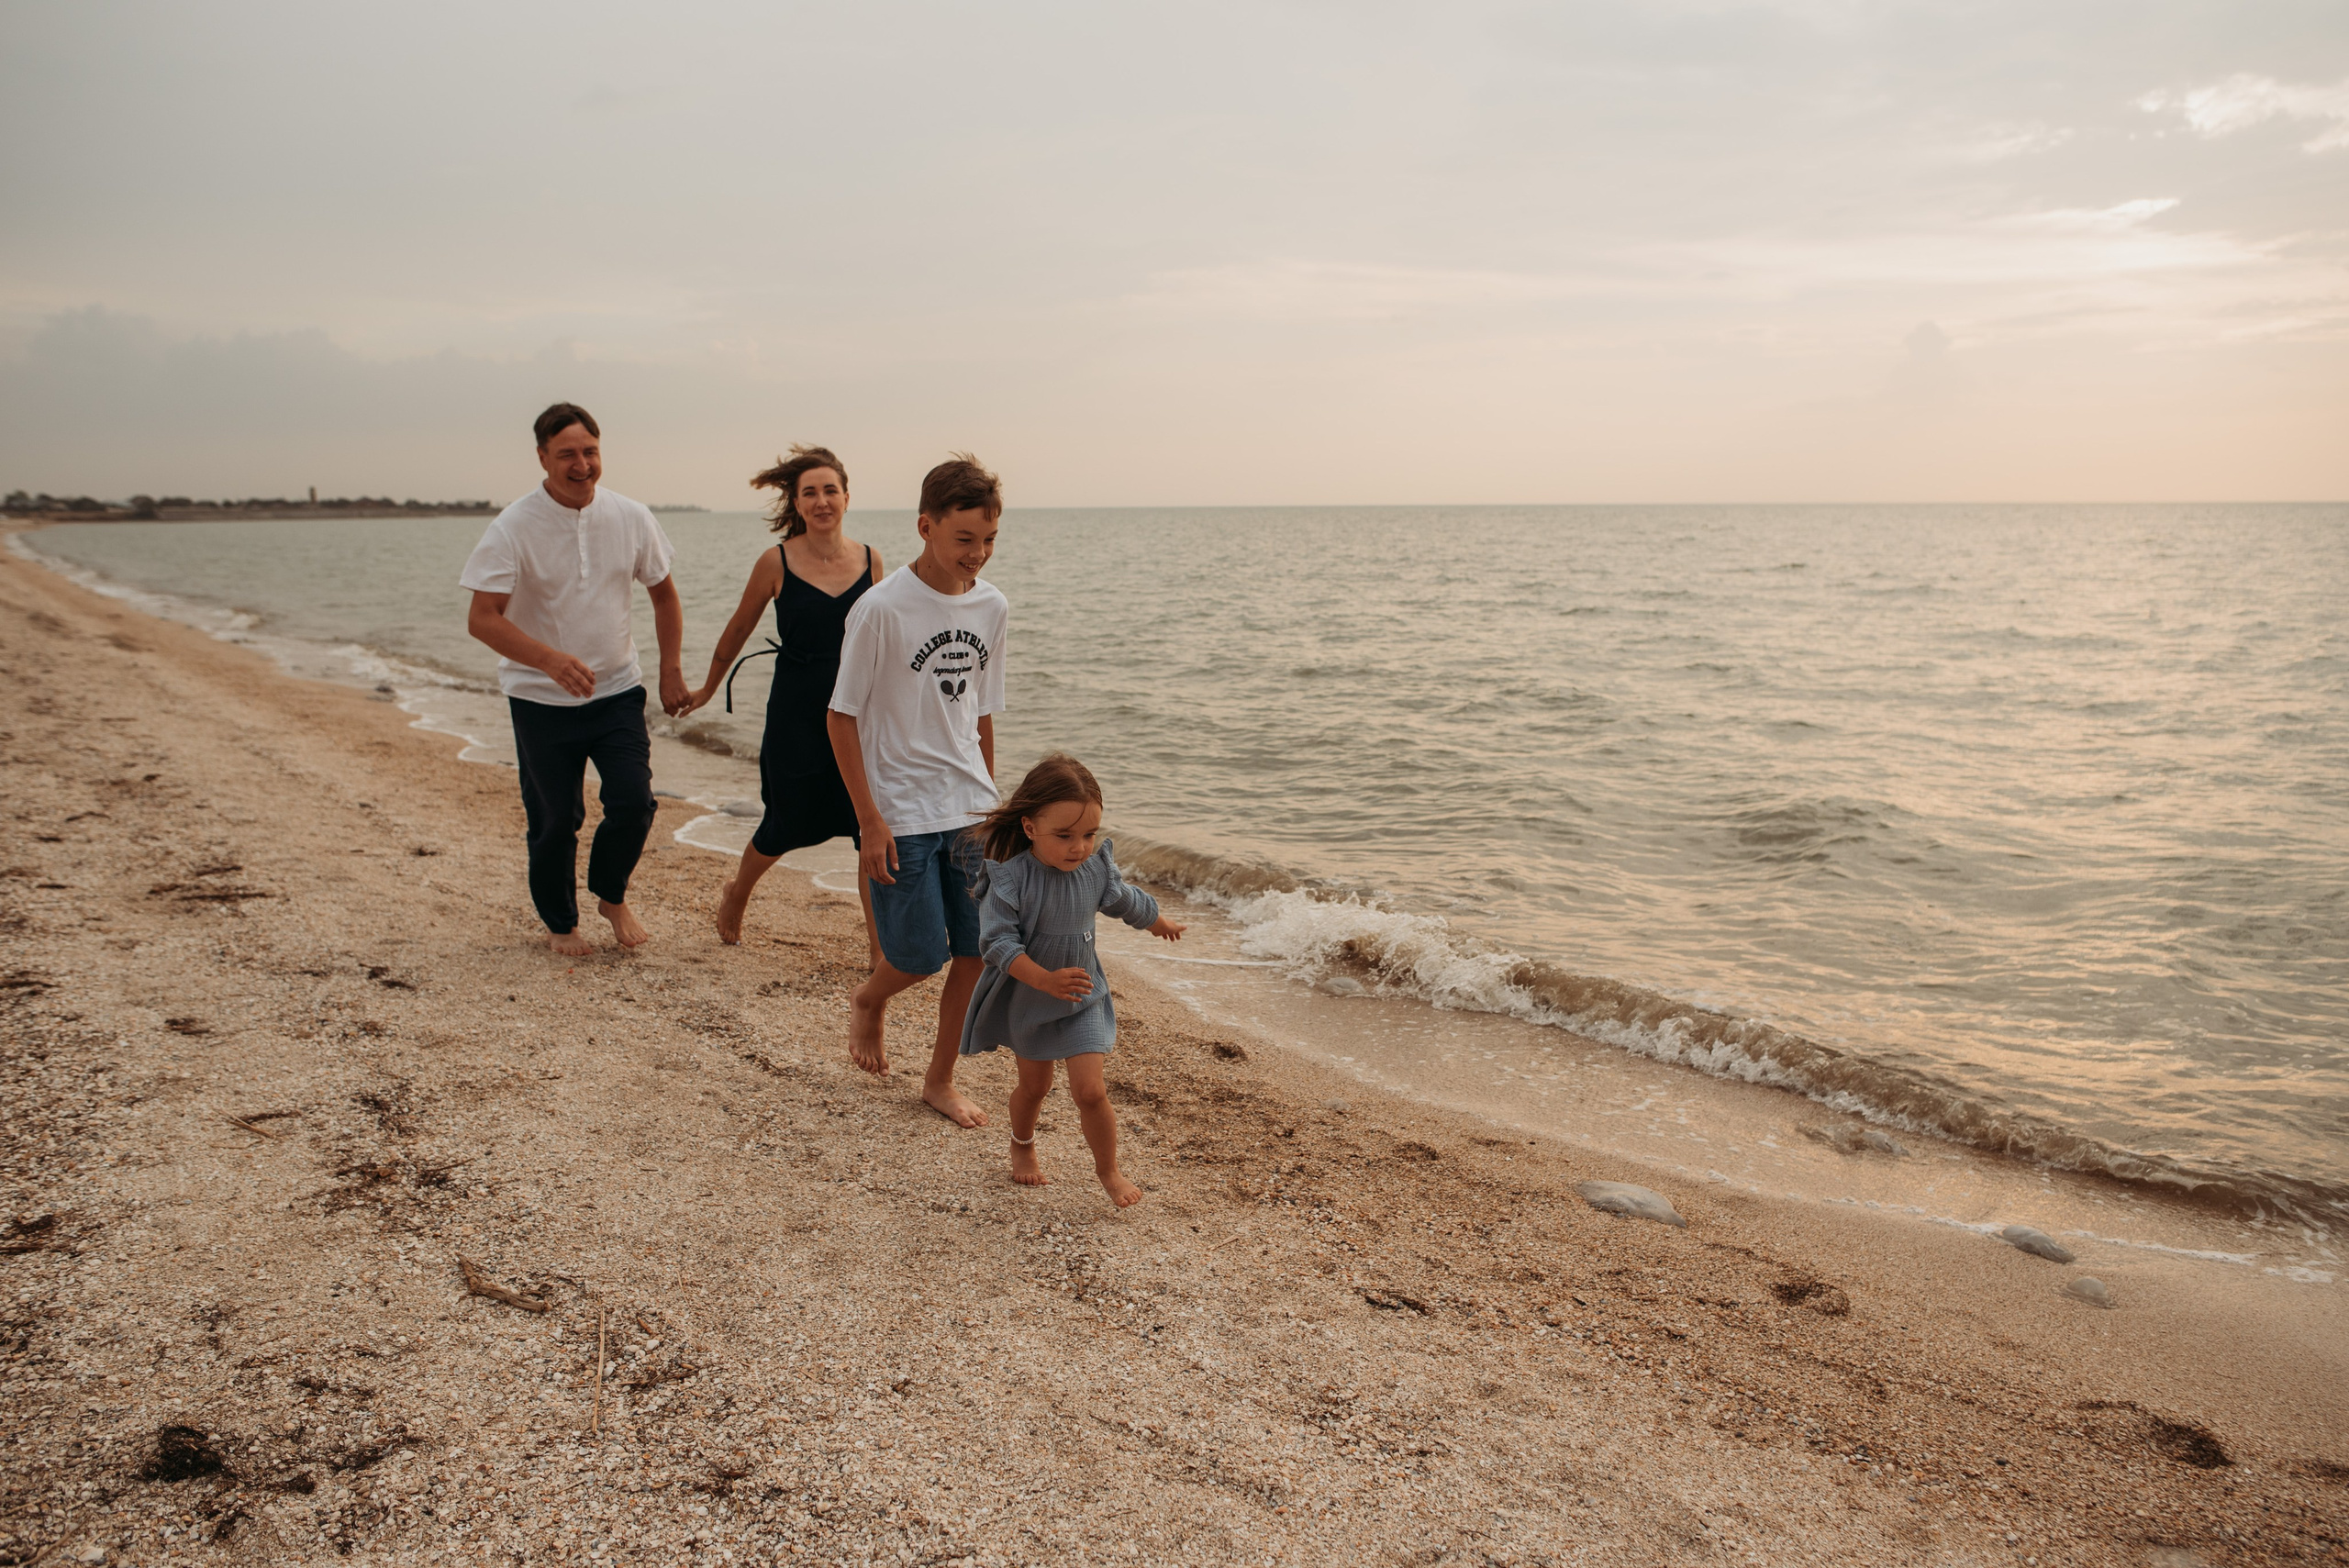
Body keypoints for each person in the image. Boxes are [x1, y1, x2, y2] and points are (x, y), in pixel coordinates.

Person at [461, 403, 688, 955]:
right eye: (567, 454)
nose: (581, 464)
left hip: (616, 691)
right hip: (539, 699)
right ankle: (562, 924)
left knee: (634, 802)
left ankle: (611, 895)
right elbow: (482, 617)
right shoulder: (513, 526)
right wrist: (550, 661)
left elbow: (663, 593)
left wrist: (670, 670)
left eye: (590, 451)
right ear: (542, 457)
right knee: (556, 819)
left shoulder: (631, 516)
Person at [826, 454, 1008, 1128]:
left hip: (969, 806)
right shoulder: (880, 609)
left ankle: (939, 1080)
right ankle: (870, 998)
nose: (978, 554)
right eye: (964, 539)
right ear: (926, 526)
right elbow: (840, 716)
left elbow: (981, 715)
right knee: (917, 955)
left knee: (974, 952)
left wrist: (995, 809)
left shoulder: (992, 606)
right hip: (900, 807)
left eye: (989, 539)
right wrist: (869, 820)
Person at [682, 446, 883, 962]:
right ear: (796, 502)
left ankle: (879, 948)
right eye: (809, 492)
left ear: (846, 497)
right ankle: (738, 893)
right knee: (785, 823)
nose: (821, 501)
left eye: (829, 490)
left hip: (857, 712)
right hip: (796, 711)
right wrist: (706, 688)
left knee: (868, 827)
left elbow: (888, 642)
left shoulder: (871, 560)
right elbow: (738, 629)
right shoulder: (777, 561)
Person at [960, 754, 1185, 1206]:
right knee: (1035, 1087)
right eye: (1064, 836)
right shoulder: (1010, 880)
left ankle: (1109, 1171)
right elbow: (997, 944)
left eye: (1089, 834)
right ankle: (1022, 1146)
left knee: (1090, 1090)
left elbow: (1123, 900)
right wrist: (1043, 980)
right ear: (1029, 828)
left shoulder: (1095, 870)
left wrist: (1156, 920)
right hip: (1030, 997)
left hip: (1083, 995)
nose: (1079, 846)